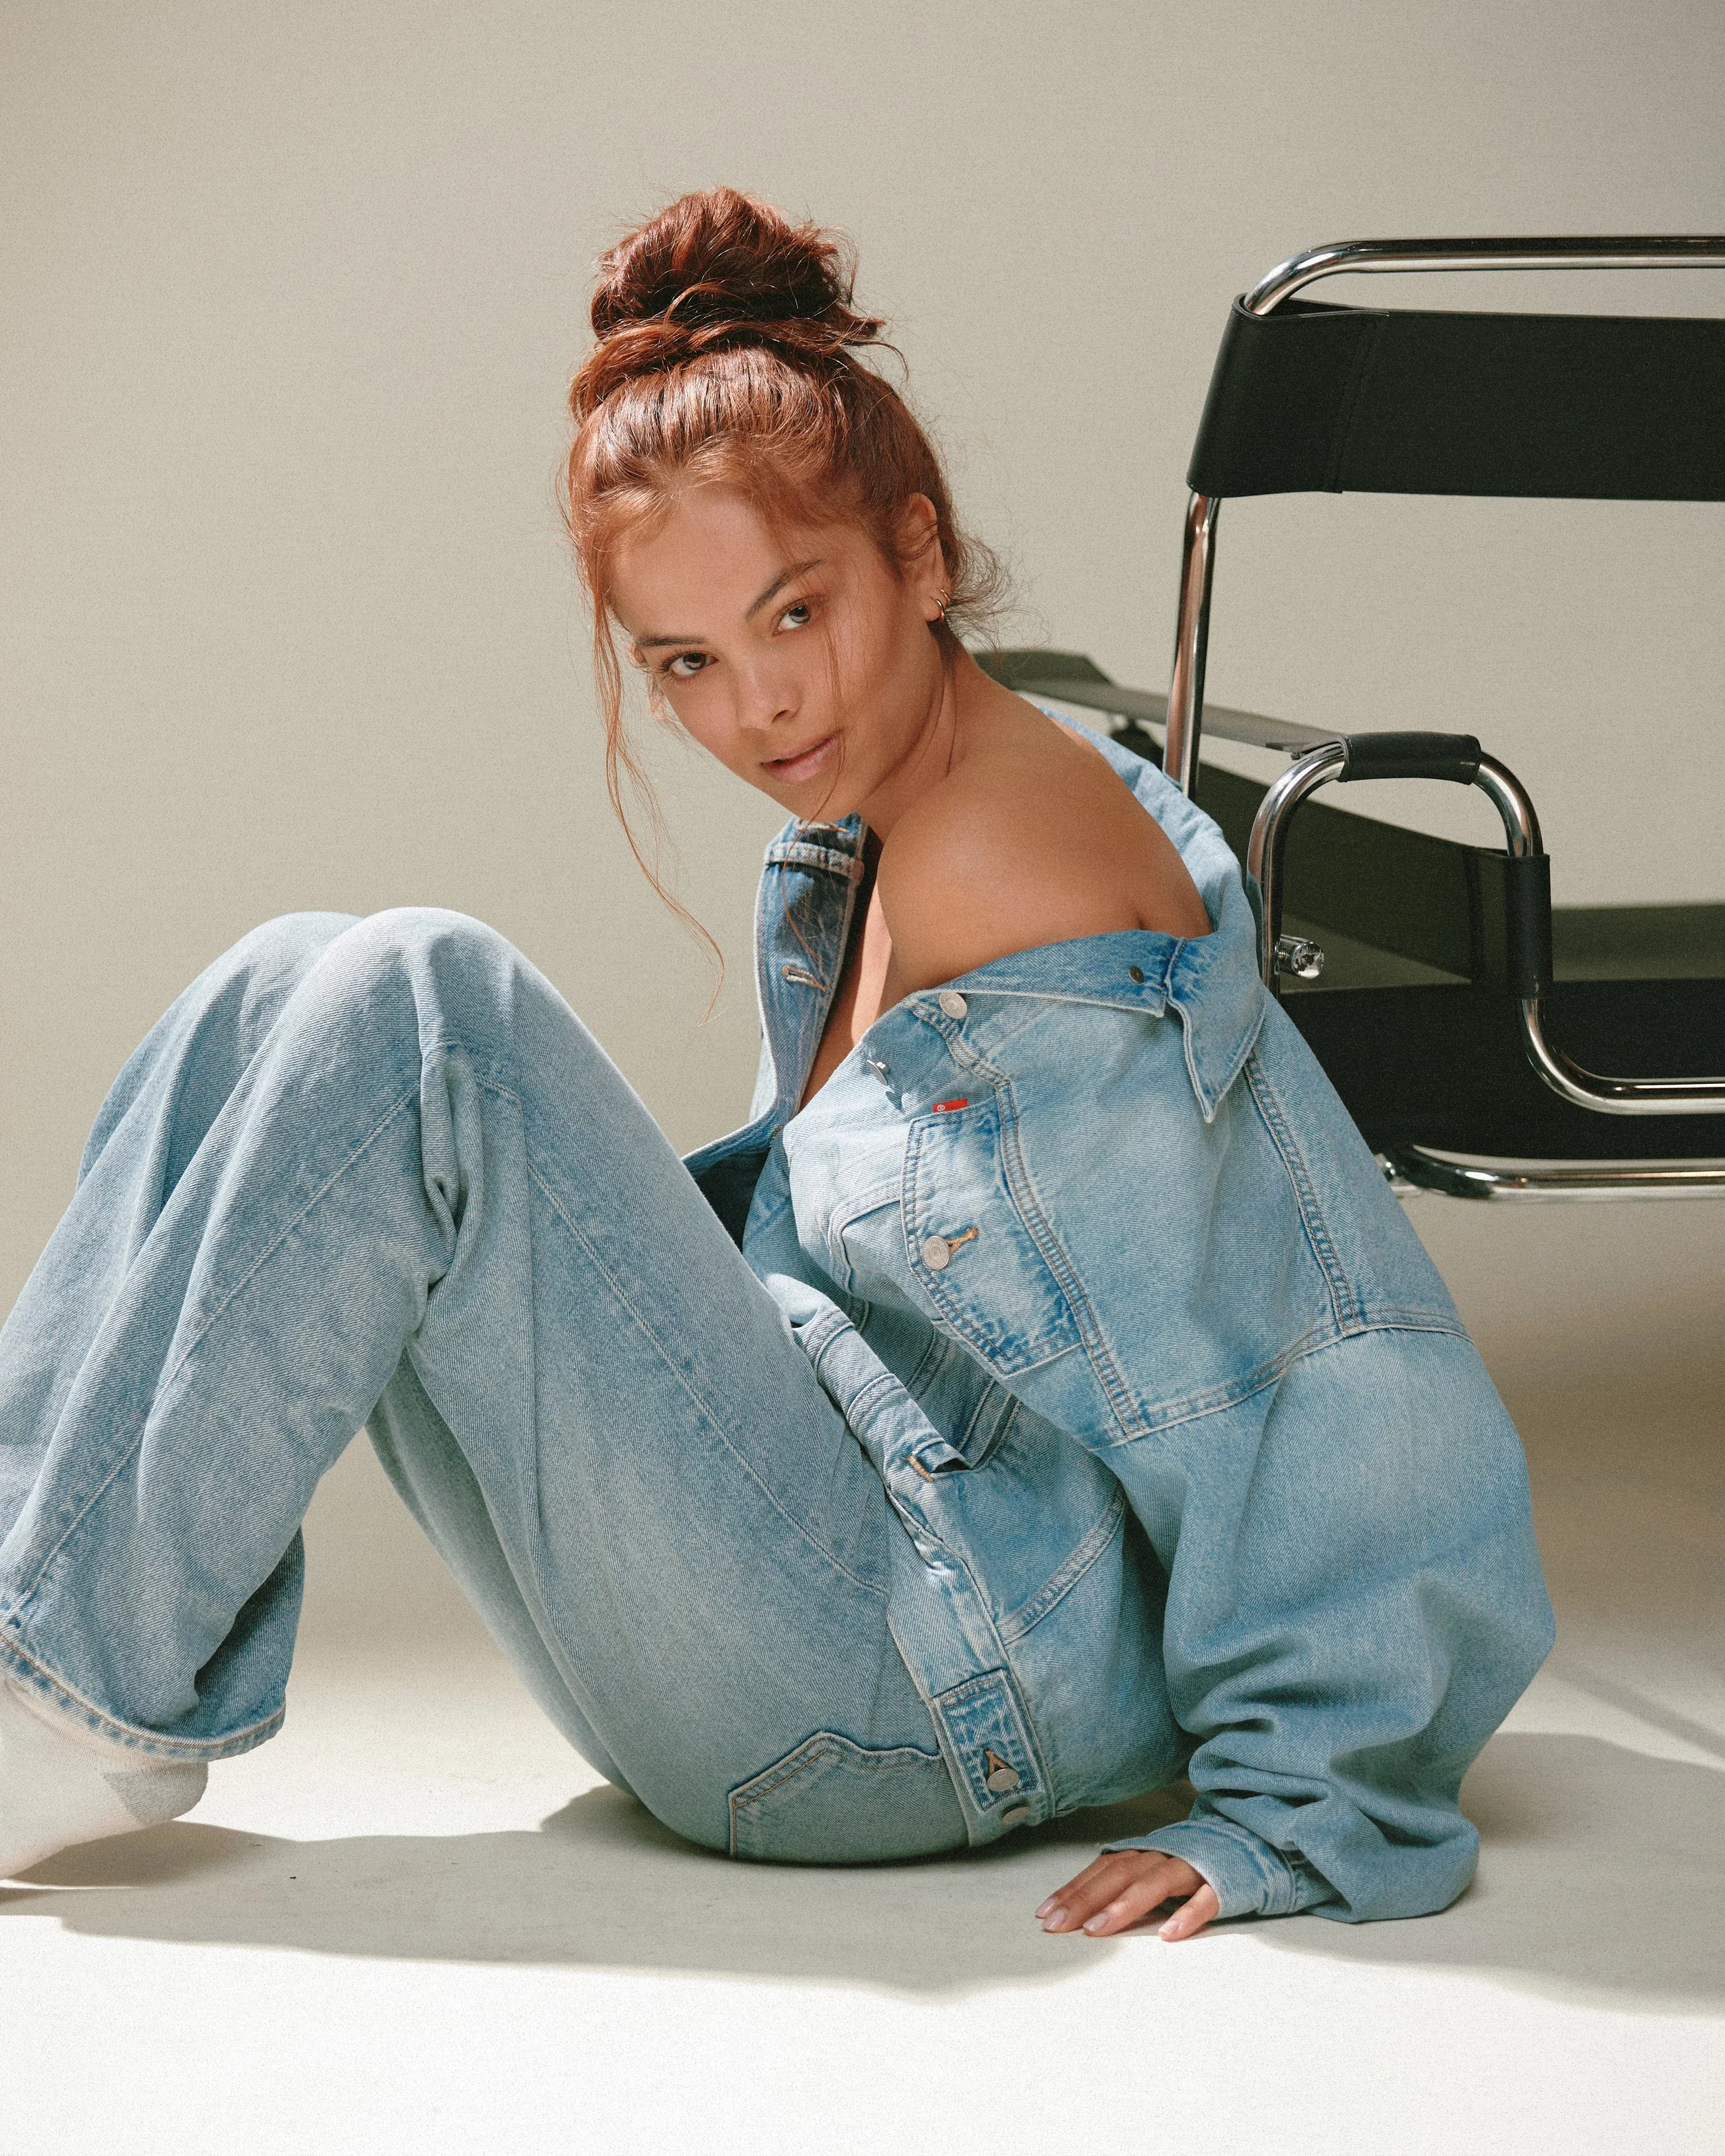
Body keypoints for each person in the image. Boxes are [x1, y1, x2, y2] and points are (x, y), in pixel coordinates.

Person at [0, 188, 1552, 1940]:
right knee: (288, 975)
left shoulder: (1015, 867)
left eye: (793, 613)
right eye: (686, 661)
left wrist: (1310, 1800)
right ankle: (27, 1637)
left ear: (917, 550)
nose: (760, 709)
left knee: (420, 998)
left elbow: (1311, 1351)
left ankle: (47, 1701)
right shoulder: (863, 830)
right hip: (785, 1610)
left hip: (905, 1705)